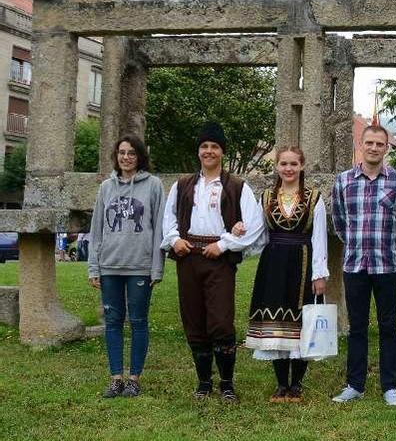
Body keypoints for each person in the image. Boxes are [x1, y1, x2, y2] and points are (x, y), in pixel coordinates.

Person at [161, 122, 265, 402]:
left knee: (220, 321)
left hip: (219, 260)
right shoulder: (182, 185)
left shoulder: (237, 186)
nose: (209, 151)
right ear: (198, 152)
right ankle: (204, 382)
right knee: (194, 320)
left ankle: (227, 383)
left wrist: (224, 244)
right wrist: (174, 240)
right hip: (188, 257)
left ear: (222, 152)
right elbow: (168, 218)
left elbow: (255, 226)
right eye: (205, 146)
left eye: (214, 147)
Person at [243, 147, 329, 403]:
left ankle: (297, 384)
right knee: (276, 325)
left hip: (303, 261)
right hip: (273, 264)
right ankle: (281, 385)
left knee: (301, 323)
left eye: (293, 163)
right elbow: (257, 234)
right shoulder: (267, 197)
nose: (288, 168)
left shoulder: (315, 198)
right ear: (277, 167)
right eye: (284, 163)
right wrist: (237, 235)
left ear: (302, 166)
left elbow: (320, 237)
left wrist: (320, 273)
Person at [330, 125, 396, 406]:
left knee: (389, 327)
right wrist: (355, 244)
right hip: (354, 265)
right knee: (357, 327)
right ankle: (355, 384)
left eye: (380, 144)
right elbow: (339, 222)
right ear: (360, 145)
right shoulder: (343, 181)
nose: (374, 148)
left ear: (387, 148)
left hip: (387, 265)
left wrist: (389, 246)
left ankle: (390, 386)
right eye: (369, 143)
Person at [88, 135, 165, 398]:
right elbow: (96, 229)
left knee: (139, 321)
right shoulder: (106, 188)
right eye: (122, 152)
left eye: (132, 153)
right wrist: (93, 267)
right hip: (109, 265)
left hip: (140, 266)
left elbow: (158, 230)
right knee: (112, 321)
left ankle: (134, 378)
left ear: (140, 156)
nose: (126, 157)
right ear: (116, 156)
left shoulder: (153, 186)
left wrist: (157, 268)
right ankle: (116, 377)